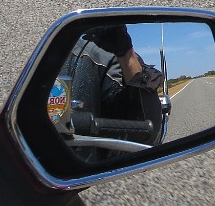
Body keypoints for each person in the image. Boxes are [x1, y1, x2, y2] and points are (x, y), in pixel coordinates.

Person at [56, 24, 165, 161]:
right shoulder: (46, 50)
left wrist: (126, 55)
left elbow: (143, 135)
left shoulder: (104, 53)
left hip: (82, 166)